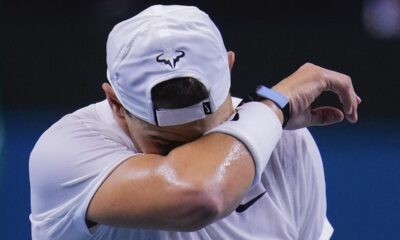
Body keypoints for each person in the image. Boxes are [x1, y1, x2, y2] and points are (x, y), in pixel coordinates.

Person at [29, 5, 360, 240]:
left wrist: (270, 114)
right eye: (168, 144)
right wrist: (274, 105)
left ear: (229, 69)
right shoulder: (68, 150)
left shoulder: (286, 142)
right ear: (115, 103)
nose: (198, 151)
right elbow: (203, 194)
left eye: (212, 135)